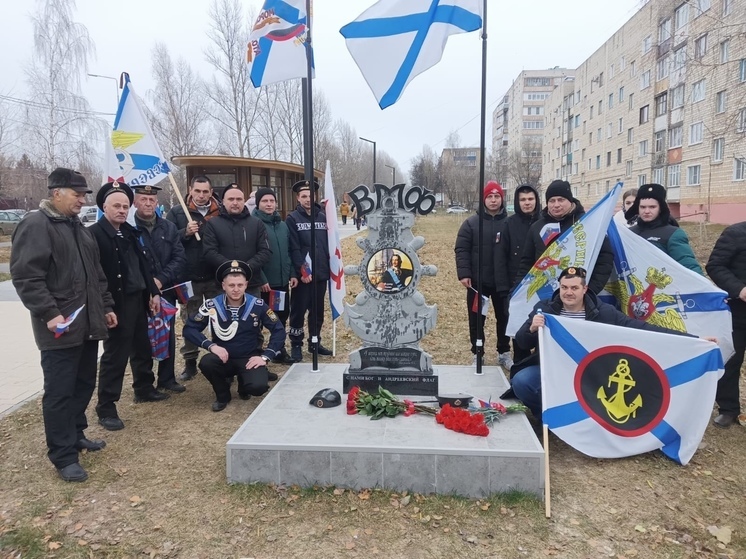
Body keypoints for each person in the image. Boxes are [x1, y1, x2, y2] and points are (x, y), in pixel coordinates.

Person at [10, 168, 117, 482]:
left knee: (83, 384)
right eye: (77, 194)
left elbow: (97, 276)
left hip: (88, 324)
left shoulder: (78, 228)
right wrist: (49, 312)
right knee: (59, 392)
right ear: (56, 192)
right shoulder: (36, 225)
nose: (82, 200)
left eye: (84, 194)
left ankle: (76, 434)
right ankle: (63, 455)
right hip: (59, 329)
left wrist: (107, 307)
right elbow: (27, 277)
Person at [511, 267, 698, 420]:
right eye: (564, 287)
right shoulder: (545, 309)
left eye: (574, 288)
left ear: (585, 289)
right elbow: (521, 341)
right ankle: (548, 417)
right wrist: (532, 329)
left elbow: (641, 328)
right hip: (553, 369)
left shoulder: (604, 312)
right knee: (522, 381)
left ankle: (589, 417)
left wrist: (693, 340)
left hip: (594, 374)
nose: (568, 293)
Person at [90, 181, 166, 432]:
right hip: (116, 304)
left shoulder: (130, 232)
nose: (122, 210)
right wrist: (105, 307)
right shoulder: (94, 235)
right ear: (104, 207)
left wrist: (153, 293)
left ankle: (144, 388)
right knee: (115, 356)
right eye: (116, 206)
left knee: (142, 347)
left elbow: (144, 268)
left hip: (138, 300)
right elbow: (95, 276)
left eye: (125, 206)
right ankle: (106, 407)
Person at [182, 260, 286, 411]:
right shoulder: (212, 305)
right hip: (223, 357)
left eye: (240, 285)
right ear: (224, 286)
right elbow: (189, 329)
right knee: (206, 362)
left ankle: (244, 386)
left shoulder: (257, 305)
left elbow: (278, 330)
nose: (236, 289)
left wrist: (265, 356)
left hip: (249, 357)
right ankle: (223, 395)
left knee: (258, 387)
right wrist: (211, 346)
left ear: (246, 285)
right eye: (231, 285)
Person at [132, 184, 187, 393]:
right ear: (135, 202)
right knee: (141, 338)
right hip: (140, 293)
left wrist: (161, 280)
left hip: (166, 291)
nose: (148, 203)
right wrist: (148, 284)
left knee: (167, 332)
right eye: (143, 200)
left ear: (157, 202)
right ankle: (144, 384)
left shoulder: (168, 227)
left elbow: (179, 258)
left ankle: (167, 378)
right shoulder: (129, 228)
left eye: (151, 200)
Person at [166, 175, 222, 381]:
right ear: (190, 190)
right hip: (189, 277)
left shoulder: (220, 211)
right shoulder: (178, 212)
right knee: (191, 319)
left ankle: (222, 355)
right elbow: (167, 240)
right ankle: (190, 362)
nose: (201, 195)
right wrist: (184, 232)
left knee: (222, 317)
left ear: (211, 192)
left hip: (216, 276)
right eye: (197, 191)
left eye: (205, 191)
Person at [516, 179, 614, 295]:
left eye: (561, 200)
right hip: (546, 295)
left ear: (570, 200)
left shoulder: (588, 223)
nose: (556, 205)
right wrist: (517, 292)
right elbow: (527, 263)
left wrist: (590, 290)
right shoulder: (537, 227)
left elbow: (604, 259)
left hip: (581, 295)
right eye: (552, 201)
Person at [455, 180, 511, 367]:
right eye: (489, 197)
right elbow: (462, 249)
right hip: (479, 283)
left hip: (504, 283)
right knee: (477, 319)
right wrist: (464, 274)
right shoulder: (471, 223)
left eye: (497, 197)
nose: (493, 200)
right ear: (484, 199)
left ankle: (504, 351)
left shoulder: (509, 222)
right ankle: (477, 352)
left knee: (505, 317)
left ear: (501, 200)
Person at [494, 184, 542, 365]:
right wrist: (504, 289)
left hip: (541, 286)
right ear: (516, 202)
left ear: (536, 200)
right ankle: (520, 367)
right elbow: (500, 258)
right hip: (517, 287)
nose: (527, 203)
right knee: (520, 330)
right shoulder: (508, 224)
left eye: (530, 199)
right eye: (523, 200)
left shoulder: (544, 222)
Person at [706, 221, 746, 428]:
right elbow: (715, 265)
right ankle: (728, 409)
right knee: (731, 359)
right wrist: (739, 289)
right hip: (738, 312)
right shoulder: (735, 233)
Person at [286, 179, 331, 362]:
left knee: (317, 310)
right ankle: (296, 344)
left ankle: (315, 341)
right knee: (298, 310)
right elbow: (294, 248)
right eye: (303, 196)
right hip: (304, 276)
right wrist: (302, 272)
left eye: (310, 195)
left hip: (321, 273)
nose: (307, 199)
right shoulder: (292, 218)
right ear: (298, 197)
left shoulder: (322, 217)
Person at [252, 187, 298, 363]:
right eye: (265, 201)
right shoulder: (254, 223)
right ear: (258, 203)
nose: (269, 204)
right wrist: (261, 278)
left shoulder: (283, 225)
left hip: (281, 282)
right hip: (264, 283)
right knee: (261, 318)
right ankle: (256, 352)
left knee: (281, 316)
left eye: (272, 201)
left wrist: (292, 273)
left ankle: (278, 349)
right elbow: (253, 253)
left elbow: (288, 252)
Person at [202, 183, 271, 298]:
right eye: (231, 199)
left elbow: (265, 251)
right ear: (223, 201)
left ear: (244, 201)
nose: (235, 202)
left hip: (251, 284)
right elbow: (209, 252)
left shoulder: (256, 223)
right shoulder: (213, 224)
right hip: (223, 286)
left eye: (239, 199)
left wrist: (246, 267)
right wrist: (230, 268)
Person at [624, 183, 703, 274]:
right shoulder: (629, 233)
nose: (646, 211)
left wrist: (704, 286)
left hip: (662, 285)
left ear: (660, 208)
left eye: (652, 207)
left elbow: (687, 263)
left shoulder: (673, 234)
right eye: (643, 207)